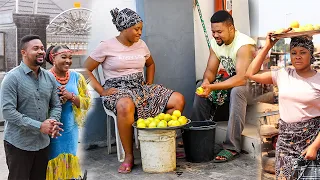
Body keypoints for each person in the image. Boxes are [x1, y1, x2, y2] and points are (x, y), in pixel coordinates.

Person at [84, 8, 185, 173]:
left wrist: (149, 83)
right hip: (117, 90)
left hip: (140, 87)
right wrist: (101, 91)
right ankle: (129, 156)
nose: (140, 32)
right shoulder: (106, 46)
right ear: (124, 28)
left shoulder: (141, 44)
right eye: (136, 29)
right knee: (125, 105)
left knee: (178, 99)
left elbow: (150, 64)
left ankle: (157, 140)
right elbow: (86, 70)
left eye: (141, 29)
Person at [246, 34, 320, 179]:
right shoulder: (283, 74)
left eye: (303, 52)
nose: (297, 56)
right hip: (286, 142)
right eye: (293, 52)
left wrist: (315, 146)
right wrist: (268, 45)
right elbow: (251, 73)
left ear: (311, 54)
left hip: (312, 141)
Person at [191, 10, 256, 162]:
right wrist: (207, 82)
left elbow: (241, 79)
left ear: (231, 28)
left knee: (237, 91)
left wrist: (213, 87)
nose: (215, 35)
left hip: (255, 88)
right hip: (233, 83)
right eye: (213, 31)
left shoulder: (244, 45)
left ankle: (231, 147)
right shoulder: (216, 43)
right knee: (201, 84)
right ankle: (196, 134)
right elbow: (210, 70)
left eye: (219, 31)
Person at [0, 35, 63, 180]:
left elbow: (56, 104)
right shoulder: (12, 78)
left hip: (43, 143)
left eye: (42, 48)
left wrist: (52, 122)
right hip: (19, 144)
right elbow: (8, 112)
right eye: (36, 48)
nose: (41, 51)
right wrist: (39, 126)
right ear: (24, 52)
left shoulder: (49, 78)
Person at [45, 45, 91, 180]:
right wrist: (56, 101)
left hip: (70, 129)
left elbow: (87, 103)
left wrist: (71, 97)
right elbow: (37, 103)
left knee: (69, 162)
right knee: (53, 164)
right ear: (53, 58)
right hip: (52, 130)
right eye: (63, 57)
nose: (68, 61)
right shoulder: (44, 77)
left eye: (70, 58)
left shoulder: (77, 77)